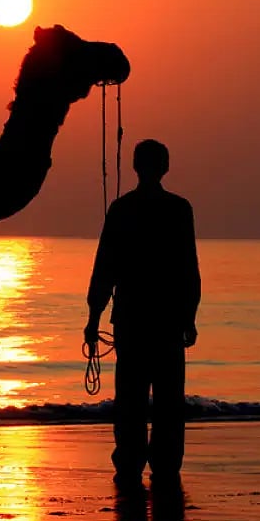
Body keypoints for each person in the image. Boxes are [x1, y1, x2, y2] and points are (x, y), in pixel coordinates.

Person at [85, 139, 200, 490]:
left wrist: (93, 318)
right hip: (166, 321)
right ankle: (164, 464)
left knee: (131, 399)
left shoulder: (122, 209)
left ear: (136, 167)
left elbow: (105, 267)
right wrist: (189, 317)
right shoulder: (179, 209)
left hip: (133, 320)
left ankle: (131, 461)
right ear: (164, 168)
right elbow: (188, 269)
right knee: (168, 400)